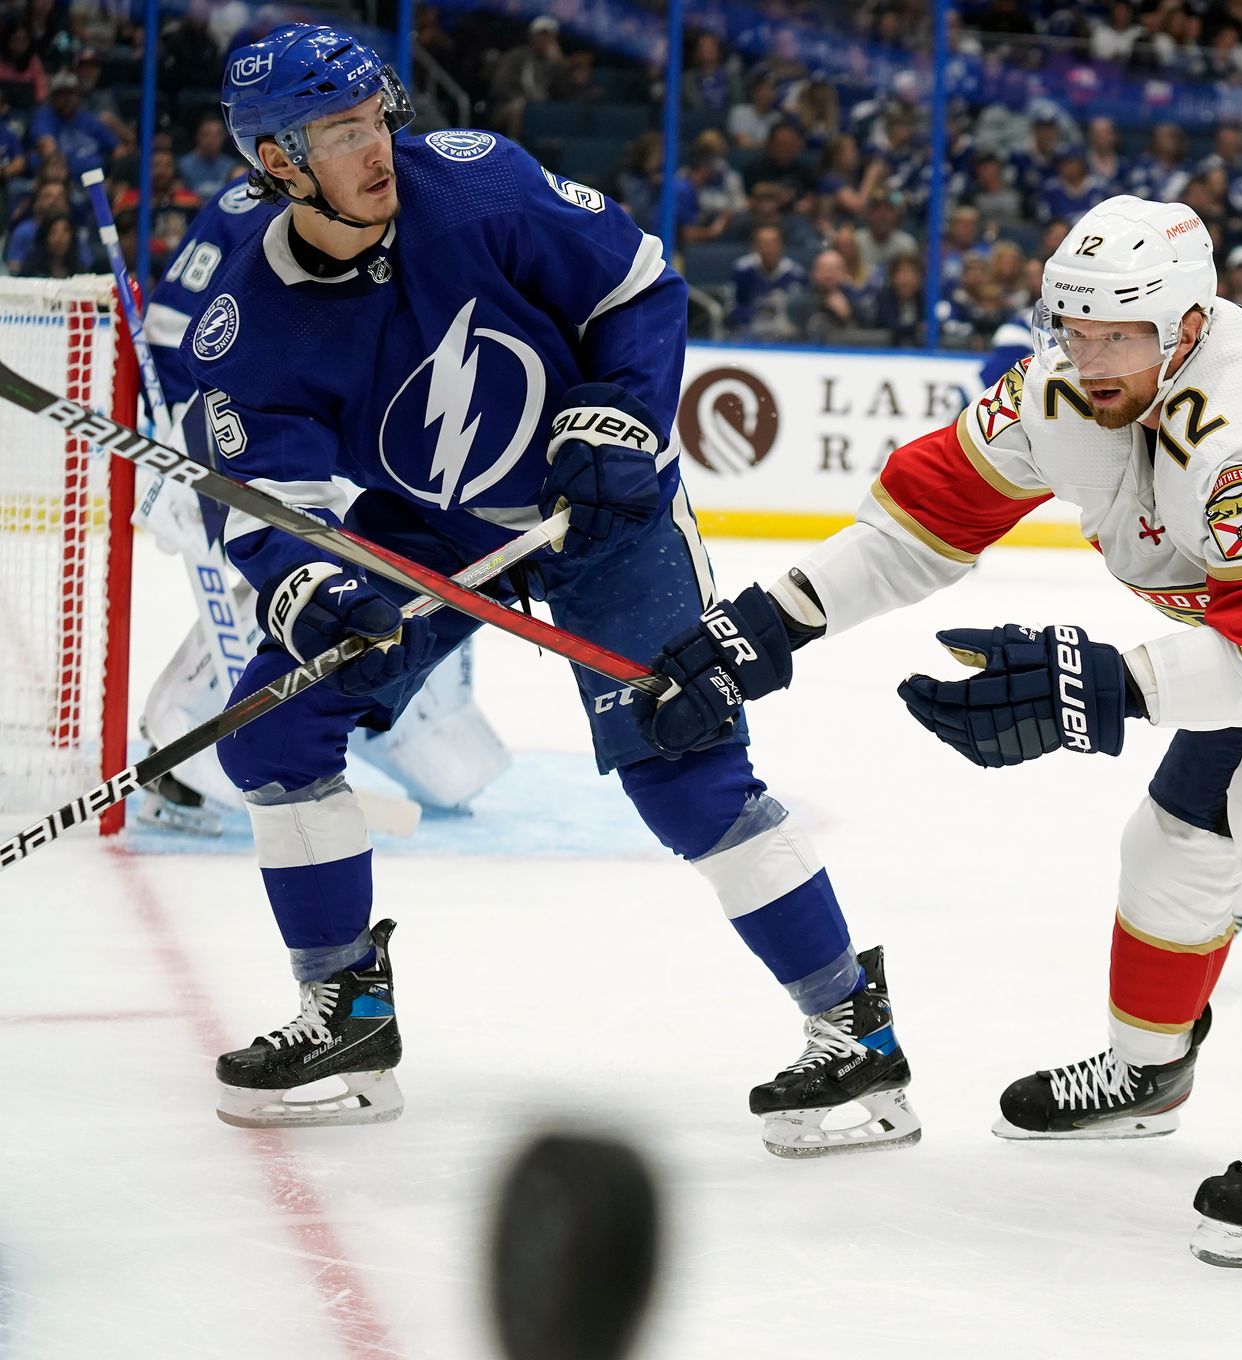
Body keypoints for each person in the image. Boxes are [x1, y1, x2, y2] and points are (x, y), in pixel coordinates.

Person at [632, 196, 1242, 1267]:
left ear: (1187, 326)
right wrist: (769, 622)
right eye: (1072, 327)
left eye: (1120, 333)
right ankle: (1147, 1068)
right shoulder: (1056, 390)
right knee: (1173, 835)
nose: (1092, 356)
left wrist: (1099, 686)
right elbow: (915, 532)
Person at [188, 26, 918, 1156]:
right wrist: (322, 590)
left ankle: (852, 1033)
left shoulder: (475, 185)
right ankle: (346, 1013)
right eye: (340, 134)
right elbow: (259, 501)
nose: (378, 148)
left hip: (601, 506)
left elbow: (639, 285)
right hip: (436, 522)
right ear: (278, 164)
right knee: (279, 729)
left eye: (377, 115)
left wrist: (621, 408)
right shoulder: (248, 323)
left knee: (685, 764)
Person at [134, 175, 515, 838]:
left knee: (393, 551)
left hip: (341, 430)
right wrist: (180, 429)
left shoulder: (401, 200)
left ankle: (382, 703)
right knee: (297, 563)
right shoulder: (241, 209)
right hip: (232, 426)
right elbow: (172, 329)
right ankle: (189, 746)